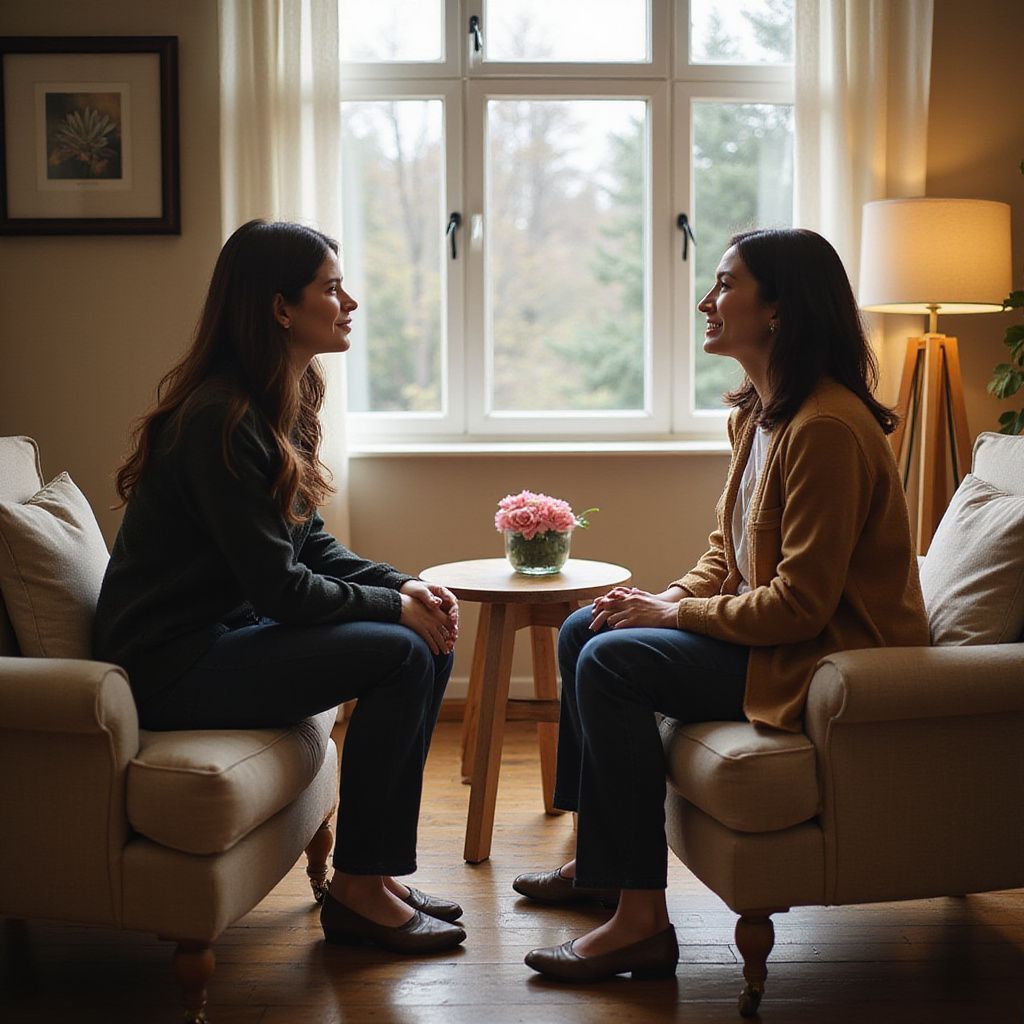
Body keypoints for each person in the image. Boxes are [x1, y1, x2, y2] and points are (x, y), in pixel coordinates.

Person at [515, 228, 930, 982]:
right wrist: (665, 595)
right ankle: (600, 865)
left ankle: (641, 921)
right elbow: (726, 552)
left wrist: (670, 618)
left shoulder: (828, 428)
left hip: (822, 655)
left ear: (778, 310)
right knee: (588, 626)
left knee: (611, 661)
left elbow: (801, 606)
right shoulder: (758, 415)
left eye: (725, 284)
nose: (707, 301)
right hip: (777, 633)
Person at [93, 219, 466, 954]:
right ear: (280, 308)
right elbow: (283, 590)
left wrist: (406, 585)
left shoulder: (277, 401)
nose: (349, 300)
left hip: (225, 639)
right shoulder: (219, 420)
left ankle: (373, 875)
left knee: (423, 637)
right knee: (402, 647)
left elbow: (310, 542)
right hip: (173, 666)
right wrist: (396, 607)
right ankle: (360, 893)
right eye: (331, 288)